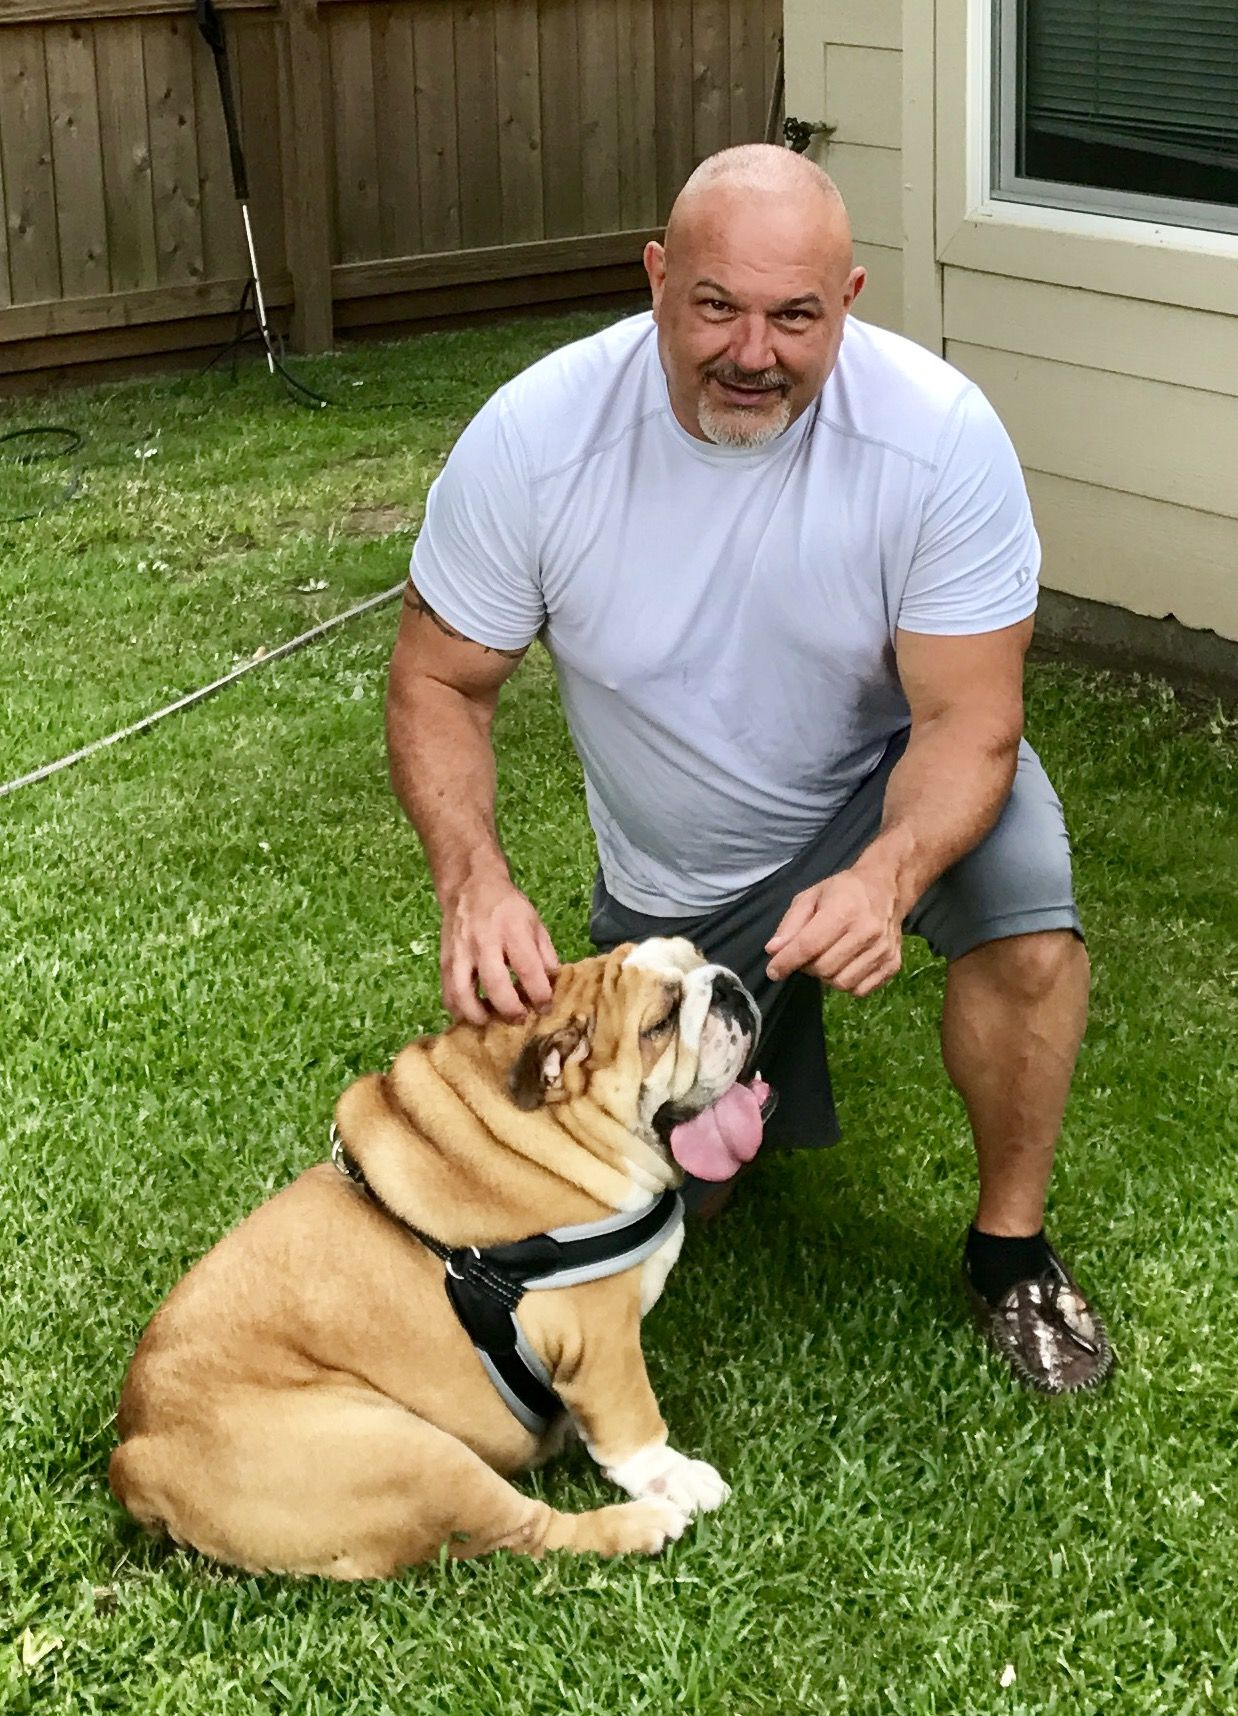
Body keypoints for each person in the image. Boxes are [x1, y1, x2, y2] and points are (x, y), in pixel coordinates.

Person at [386, 144, 1113, 1395]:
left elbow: (969, 722)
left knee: (1029, 925)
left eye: (796, 316)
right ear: (657, 279)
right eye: (717, 306)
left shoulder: (937, 438)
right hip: (681, 877)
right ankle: (754, 1069)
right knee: (658, 1194)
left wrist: (886, 878)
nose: (753, 353)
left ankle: (1011, 1255)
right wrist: (474, 880)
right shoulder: (538, 438)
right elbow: (439, 681)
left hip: (881, 791)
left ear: (851, 302)